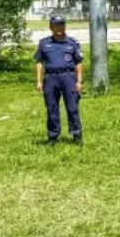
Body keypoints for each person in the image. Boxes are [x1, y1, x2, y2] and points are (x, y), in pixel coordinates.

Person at [34, 15, 83, 146]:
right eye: (56, 25)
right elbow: (39, 62)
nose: (60, 27)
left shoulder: (72, 42)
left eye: (62, 24)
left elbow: (78, 62)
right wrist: (39, 81)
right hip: (50, 78)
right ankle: (53, 137)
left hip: (68, 77)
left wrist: (79, 81)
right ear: (51, 27)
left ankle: (76, 135)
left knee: (72, 107)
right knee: (52, 108)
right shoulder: (44, 43)